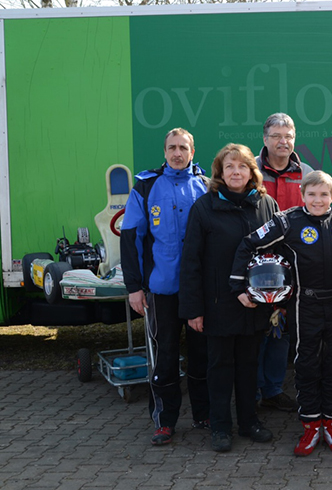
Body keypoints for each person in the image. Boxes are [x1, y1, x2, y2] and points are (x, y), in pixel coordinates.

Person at [230, 170, 332, 456]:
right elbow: (249, 244)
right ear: (302, 195)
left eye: (324, 194)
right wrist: (238, 286)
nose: (318, 200)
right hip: (304, 304)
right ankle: (311, 425)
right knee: (307, 365)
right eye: (312, 194)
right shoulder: (286, 221)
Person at [179, 143, 279, 452]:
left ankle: (249, 422)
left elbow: (278, 254)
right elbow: (191, 262)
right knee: (219, 368)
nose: (236, 172)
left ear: (252, 171)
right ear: (220, 173)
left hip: (254, 305)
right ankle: (220, 427)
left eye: (242, 166)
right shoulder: (203, 208)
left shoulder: (266, 204)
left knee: (249, 366)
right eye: (229, 167)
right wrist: (193, 309)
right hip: (217, 305)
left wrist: (277, 300)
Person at [120, 127, 209, 446]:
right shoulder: (145, 186)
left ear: (192, 152)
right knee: (166, 357)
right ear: (164, 151)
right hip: (161, 289)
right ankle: (164, 421)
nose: (177, 153)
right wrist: (134, 287)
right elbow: (131, 238)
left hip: (199, 289)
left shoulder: (206, 186)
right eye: (172, 147)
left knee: (202, 355)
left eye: (183, 148)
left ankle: (204, 415)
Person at [254, 112, 313, 413]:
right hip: (256, 265)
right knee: (255, 331)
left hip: (293, 267)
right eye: (276, 136)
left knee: (280, 331)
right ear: (265, 139)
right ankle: (252, 391)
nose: (283, 142)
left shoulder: (307, 173)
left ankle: (273, 390)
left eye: (288, 136)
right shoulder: (250, 170)